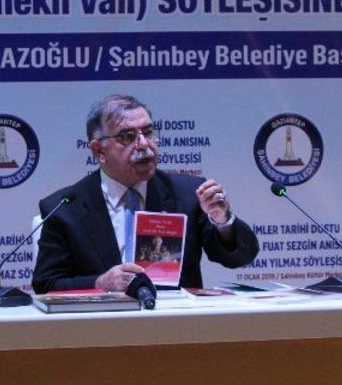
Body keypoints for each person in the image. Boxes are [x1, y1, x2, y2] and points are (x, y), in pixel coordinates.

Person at [32, 94, 259, 294]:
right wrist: (100, 283)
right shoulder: (65, 208)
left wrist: (222, 222)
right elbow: (46, 284)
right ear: (99, 151)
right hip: (102, 324)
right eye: (127, 136)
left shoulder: (188, 195)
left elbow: (239, 257)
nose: (144, 144)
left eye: (148, 132)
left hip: (175, 322)